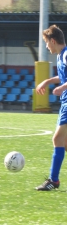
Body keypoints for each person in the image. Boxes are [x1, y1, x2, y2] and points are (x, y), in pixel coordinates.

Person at [35, 24, 67, 191]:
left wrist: (63, 87)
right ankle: (53, 180)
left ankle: (53, 180)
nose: (46, 46)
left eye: (47, 43)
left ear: (53, 41)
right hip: (65, 102)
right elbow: (62, 77)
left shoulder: (66, 54)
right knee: (65, 143)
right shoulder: (61, 56)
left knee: (57, 139)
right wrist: (47, 81)